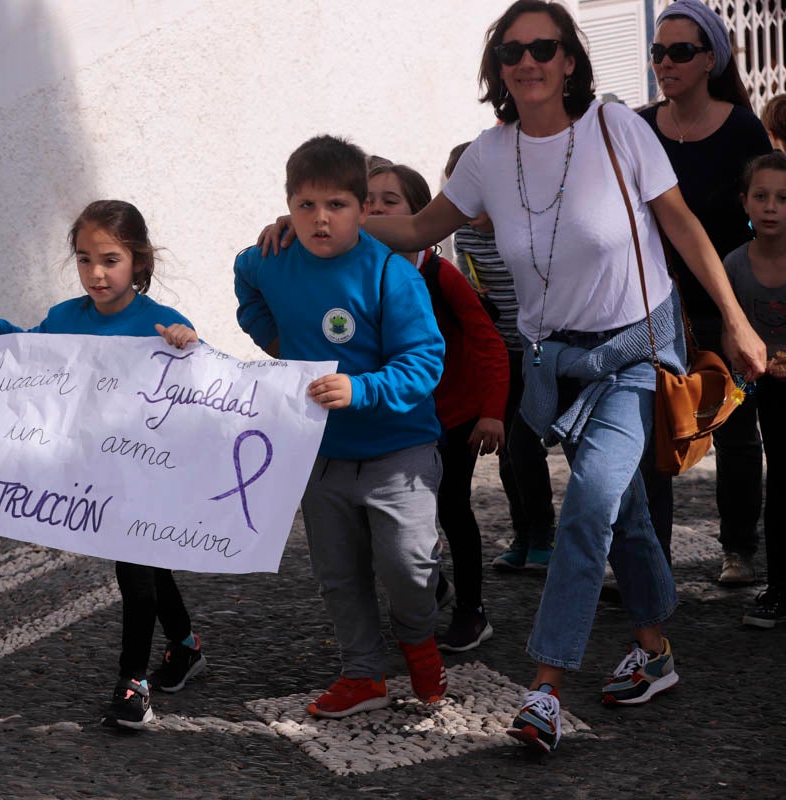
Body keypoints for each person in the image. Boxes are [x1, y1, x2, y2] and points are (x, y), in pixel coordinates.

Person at [258, 0, 764, 752]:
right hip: (552, 362)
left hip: (633, 352)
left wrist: (734, 317)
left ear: (569, 61)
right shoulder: (488, 157)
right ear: (498, 67)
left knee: (590, 503)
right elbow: (421, 229)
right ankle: (655, 652)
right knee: (622, 508)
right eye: (512, 50)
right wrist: (316, 223)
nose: (527, 61)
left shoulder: (618, 127)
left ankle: (545, 687)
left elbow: (682, 223)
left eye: (544, 47)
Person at [0, 199, 205, 730]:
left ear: (139, 262)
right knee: (151, 565)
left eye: (110, 259)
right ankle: (185, 644)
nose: (96, 272)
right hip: (97, 473)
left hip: (147, 472)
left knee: (136, 572)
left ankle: (132, 682)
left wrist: (190, 345)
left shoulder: (163, 323)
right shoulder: (65, 318)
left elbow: (204, 388)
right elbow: (31, 354)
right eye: (84, 258)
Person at [236, 135, 448, 719]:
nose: (320, 219)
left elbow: (425, 361)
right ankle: (363, 675)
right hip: (320, 454)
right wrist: (277, 345)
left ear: (361, 208)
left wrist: (361, 389)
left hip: (399, 450)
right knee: (338, 573)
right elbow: (244, 280)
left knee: (408, 566)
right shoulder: (272, 259)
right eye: (305, 206)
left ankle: (418, 637)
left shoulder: (390, 276)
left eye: (336, 205)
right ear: (288, 207)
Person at [638, 0, 773, 583]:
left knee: (737, 430)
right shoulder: (640, 126)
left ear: (709, 60)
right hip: (654, 302)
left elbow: (763, 208)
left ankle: (739, 549)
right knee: (657, 428)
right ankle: (651, 556)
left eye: (680, 51)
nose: (665, 62)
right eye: (658, 51)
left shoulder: (742, 127)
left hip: (728, 298)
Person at [366, 157, 508, 653]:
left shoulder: (440, 273)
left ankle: (471, 611)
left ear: (417, 213)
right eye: (369, 201)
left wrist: (492, 410)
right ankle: (435, 585)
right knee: (380, 512)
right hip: (401, 417)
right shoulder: (362, 271)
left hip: (456, 415)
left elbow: (488, 342)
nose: (377, 210)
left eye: (391, 201)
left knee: (451, 507)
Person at [445, 143, 557, 573]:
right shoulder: (465, 235)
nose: (469, 201)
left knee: (532, 448)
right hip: (502, 354)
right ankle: (527, 536)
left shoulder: (526, 226)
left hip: (543, 349)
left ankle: (549, 537)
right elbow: (469, 287)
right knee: (512, 453)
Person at [726, 152, 786, 627]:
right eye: (761, 196)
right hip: (771, 394)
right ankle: (779, 587)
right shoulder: (734, 265)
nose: (771, 207)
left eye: (783, 199)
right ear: (744, 202)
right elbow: (731, 330)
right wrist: (745, 358)